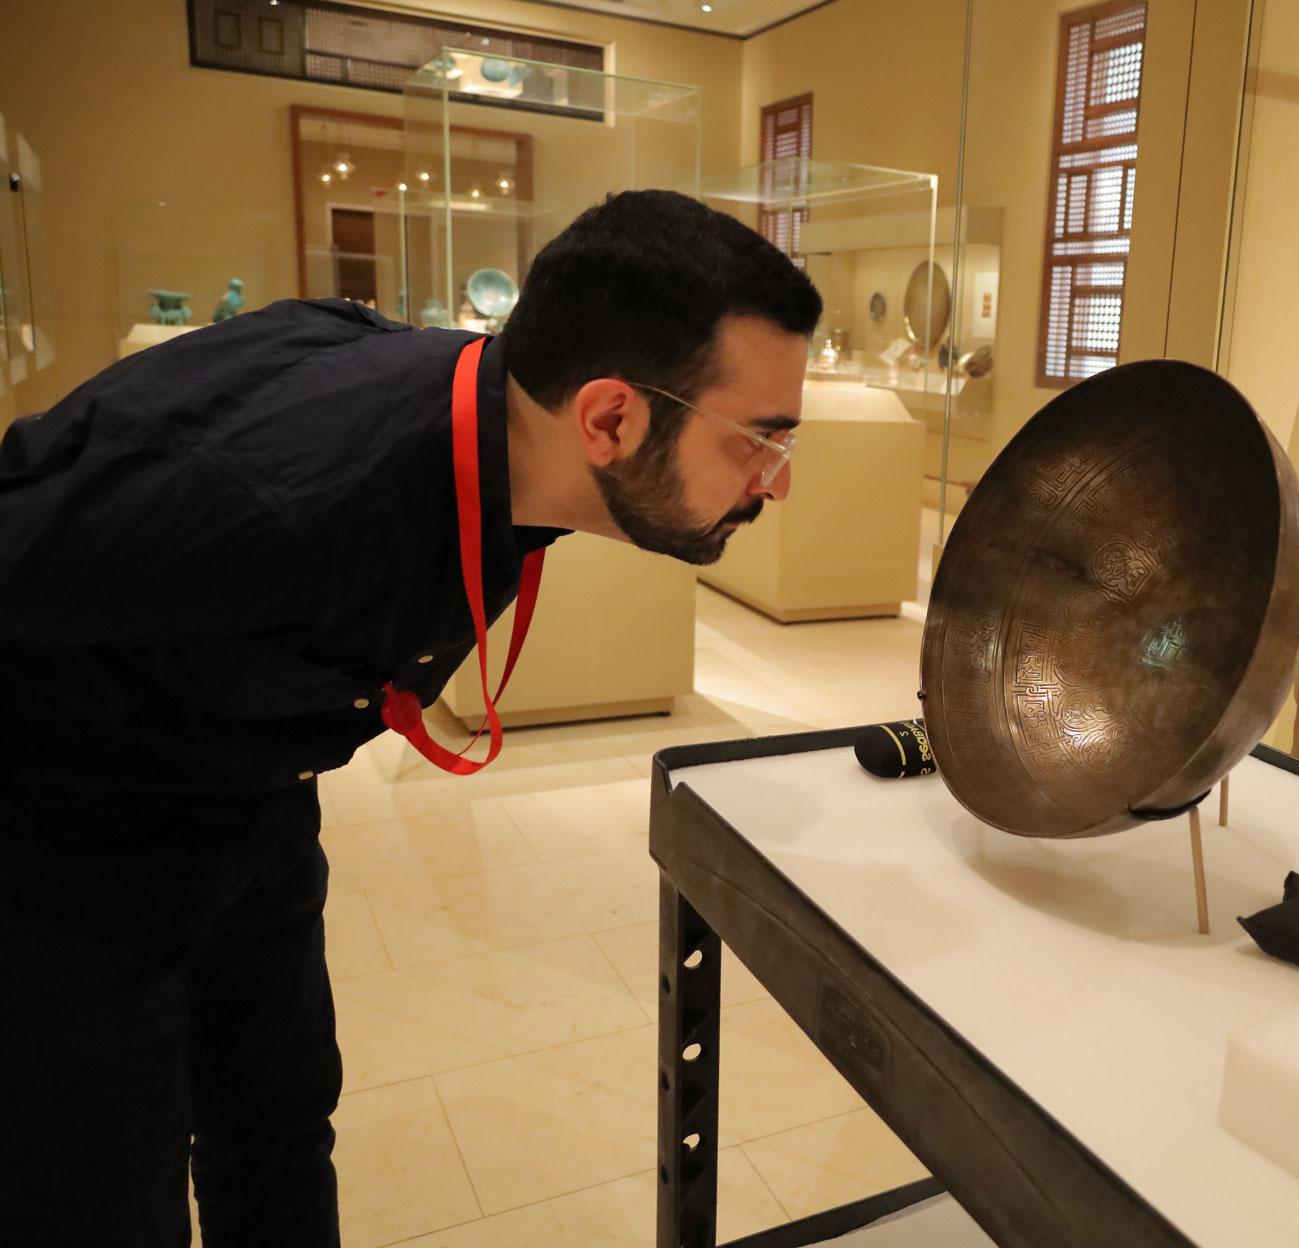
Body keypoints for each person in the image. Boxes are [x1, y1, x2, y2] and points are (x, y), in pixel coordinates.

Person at [0, 189, 822, 1246]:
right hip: (66, 835)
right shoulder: (288, 500)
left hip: (250, 785)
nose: (776, 482)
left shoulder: (483, 421)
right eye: (761, 437)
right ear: (611, 417)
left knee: (279, 1117)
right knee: (104, 1191)